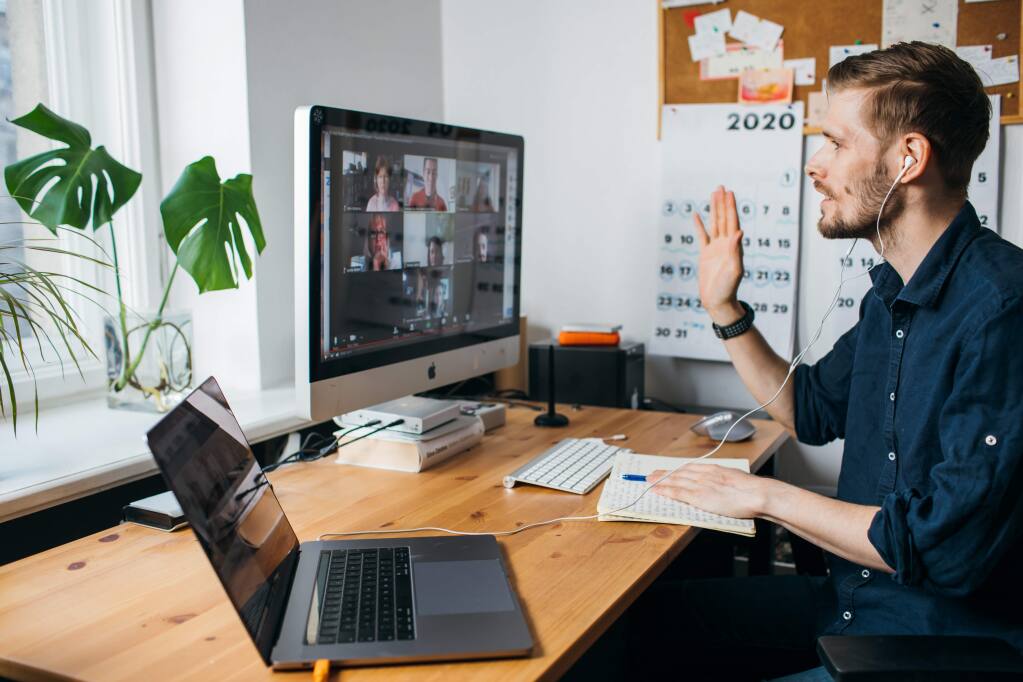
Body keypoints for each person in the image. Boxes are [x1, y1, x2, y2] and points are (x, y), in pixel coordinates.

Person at [627, 42, 1023, 681]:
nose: (815, 165)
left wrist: (762, 497)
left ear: (909, 159)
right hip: (852, 606)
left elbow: (944, 548)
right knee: (638, 626)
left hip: (934, 647)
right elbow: (805, 408)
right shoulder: (889, 293)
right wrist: (724, 307)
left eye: (836, 143)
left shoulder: (1003, 309)